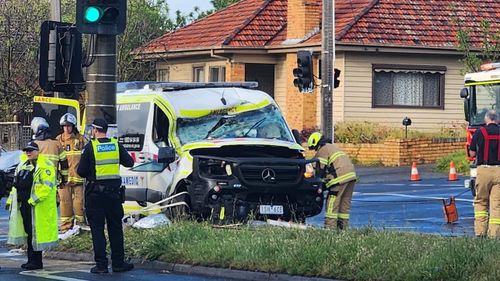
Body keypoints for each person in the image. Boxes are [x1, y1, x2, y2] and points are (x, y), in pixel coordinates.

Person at [77, 118, 134, 274]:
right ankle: (118, 263)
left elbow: (81, 171)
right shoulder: (116, 145)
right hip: (114, 195)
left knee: (97, 230)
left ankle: (101, 265)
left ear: (95, 130)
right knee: (115, 228)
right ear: (106, 130)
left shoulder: (91, 147)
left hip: (95, 195)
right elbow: (129, 162)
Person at [6, 141, 58, 270]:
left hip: (37, 207)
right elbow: (15, 185)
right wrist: (10, 201)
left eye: (31, 150)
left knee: (35, 233)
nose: (28, 152)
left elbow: (45, 187)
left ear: (38, 151)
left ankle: (36, 261)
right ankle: (31, 260)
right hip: (24, 205)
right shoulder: (23, 165)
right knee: (29, 233)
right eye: (26, 150)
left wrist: (32, 201)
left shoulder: (44, 166)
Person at [307, 132, 357, 230]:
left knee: (332, 204)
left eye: (314, 148)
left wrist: (319, 185)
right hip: (351, 177)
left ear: (316, 144)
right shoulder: (332, 147)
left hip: (339, 179)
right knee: (344, 205)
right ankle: (343, 229)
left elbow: (320, 169)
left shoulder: (323, 150)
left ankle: (329, 229)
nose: (315, 151)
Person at [469, 109, 500, 238]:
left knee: (481, 201)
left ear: (486, 119)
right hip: (499, 171)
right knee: (496, 204)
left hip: (483, 170)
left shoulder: (479, 132)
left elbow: (472, 153)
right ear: (497, 120)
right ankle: (494, 235)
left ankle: (480, 233)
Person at [56, 113, 86, 235]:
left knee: (79, 203)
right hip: (64, 179)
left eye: (68, 126)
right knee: (65, 202)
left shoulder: (81, 139)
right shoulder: (58, 140)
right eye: (64, 126)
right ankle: (66, 227)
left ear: (73, 126)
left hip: (78, 178)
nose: (66, 128)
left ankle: (80, 226)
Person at [30, 117, 69, 189]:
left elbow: (28, 164)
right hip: (53, 182)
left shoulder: (33, 145)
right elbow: (64, 164)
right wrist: (64, 180)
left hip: (37, 182)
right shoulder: (57, 144)